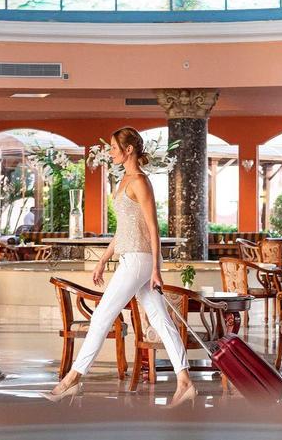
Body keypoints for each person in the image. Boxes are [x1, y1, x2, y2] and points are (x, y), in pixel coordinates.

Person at [47, 127, 197, 406]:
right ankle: (185, 381)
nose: (111, 152)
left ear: (129, 150)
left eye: (115, 148)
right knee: (161, 320)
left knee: (102, 315)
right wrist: (103, 260)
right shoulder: (124, 181)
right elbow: (124, 229)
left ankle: (73, 378)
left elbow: (154, 228)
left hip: (140, 259)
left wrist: (156, 269)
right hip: (131, 257)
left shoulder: (140, 181)